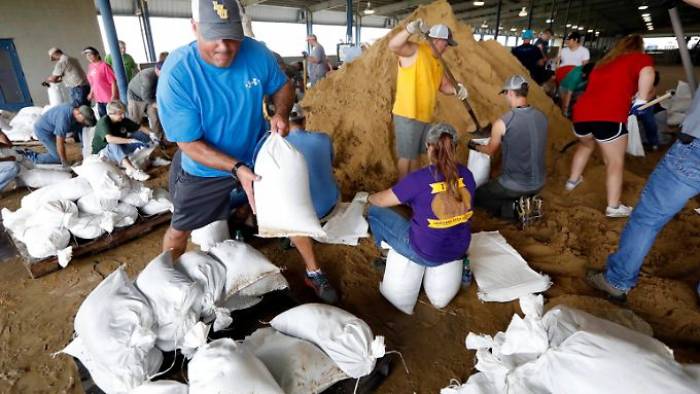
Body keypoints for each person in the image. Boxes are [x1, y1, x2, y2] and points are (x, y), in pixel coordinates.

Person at [157, 0, 293, 259]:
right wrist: (235, 168)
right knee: (180, 229)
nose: (224, 48)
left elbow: (283, 85)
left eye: (231, 37)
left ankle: (242, 223)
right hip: (204, 169)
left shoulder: (257, 53)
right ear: (194, 27)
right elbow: (188, 143)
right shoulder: (178, 73)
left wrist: (281, 113)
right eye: (213, 37)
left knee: (275, 203)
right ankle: (167, 279)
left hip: (255, 155)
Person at [587, 0, 700, 301]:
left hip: (695, 148)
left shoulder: (608, 63)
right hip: (615, 119)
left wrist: (639, 101)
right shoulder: (635, 63)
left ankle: (617, 280)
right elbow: (645, 85)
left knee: (648, 217)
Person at [367, 123, 475, 296]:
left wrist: (368, 198)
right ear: (454, 147)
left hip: (426, 253)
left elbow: (381, 201)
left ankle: (385, 255)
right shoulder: (467, 174)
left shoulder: (418, 179)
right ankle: (464, 266)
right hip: (460, 248)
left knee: (374, 212)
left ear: (428, 147)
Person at [566, 35, 655, 218]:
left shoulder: (604, 62)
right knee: (614, 162)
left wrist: (631, 96)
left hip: (581, 114)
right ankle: (613, 207)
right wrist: (641, 99)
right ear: (639, 47)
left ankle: (572, 182)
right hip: (609, 116)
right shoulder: (640, 58)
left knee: (585, 145)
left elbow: (609, 88)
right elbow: (647, 72)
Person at [388, 19, 467, 179]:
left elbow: (443, 86)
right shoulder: (415, 50)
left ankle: (414, 188)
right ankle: (402, 193)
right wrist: (409, 30)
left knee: (416, 155)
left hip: (425, 116)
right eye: (446, 44)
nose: (447, 48)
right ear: (438, 41)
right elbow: (394, 46)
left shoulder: (438, 62)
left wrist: (457, 90)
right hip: (408, 113)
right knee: (406, 157)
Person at [283, 104, 340, 303]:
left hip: (306, 216)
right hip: (331, 205)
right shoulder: (324, 139)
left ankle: (314, 273)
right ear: (304, 121)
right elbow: (330, 163)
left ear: (283, 123)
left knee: (287, 213)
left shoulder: (279, 147)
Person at [471, 75, 547, 221]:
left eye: (505, 94)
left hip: (515, 185)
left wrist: (474, 146)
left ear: (511, 93)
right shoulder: (541, 117)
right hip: (539, 183)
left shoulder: (504, 122)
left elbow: (490, 150)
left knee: (477, 196)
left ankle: (515, 209)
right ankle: (528, 200)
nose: (506, 97)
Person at [91, 100, 152, 181]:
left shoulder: (123, 120)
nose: (123, 116)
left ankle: (150, 157)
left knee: (140, 134)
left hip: (119, 147)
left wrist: (153, 134)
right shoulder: (104, 122)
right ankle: (133, 171)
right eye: (120, 114)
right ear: (110, 114)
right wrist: (129, 141)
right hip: (103, 154)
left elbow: (140, 127)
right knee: (113, 144)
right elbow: (110, 139)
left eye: (123, 113)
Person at [21, 104, 96, 165]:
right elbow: (59, 142)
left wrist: (85, 149)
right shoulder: (64, 120)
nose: (85, 122)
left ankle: (31, 153)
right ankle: (31, 156)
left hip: (52, 127)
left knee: (80, 126)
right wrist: (64, 161)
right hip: (43, 131)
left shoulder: (75, 112)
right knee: (57, 158)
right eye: (85, 120)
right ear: (78, 113)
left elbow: (83, 130)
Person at [127, 62, 163, 138]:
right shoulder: (148, 78)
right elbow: (145, 97)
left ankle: (158, 139)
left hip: (150, 96)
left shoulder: (162, 75)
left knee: (155, 117)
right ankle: (133, 141)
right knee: (135, 121)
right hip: (136, 97)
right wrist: (158, 105)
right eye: (162, 71)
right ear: (156, 69)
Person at [83, 47, 118, 118]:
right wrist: (91, 93)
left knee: (112, 118)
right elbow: (93, 83)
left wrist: (113, 96)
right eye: (87, 55)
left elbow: (113, 81)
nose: (88, 57)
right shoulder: (91, 66)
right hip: (99, 98)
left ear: (97, 55)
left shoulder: (104, 65)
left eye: (90, 55)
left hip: (108, 97)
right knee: (103, 118)